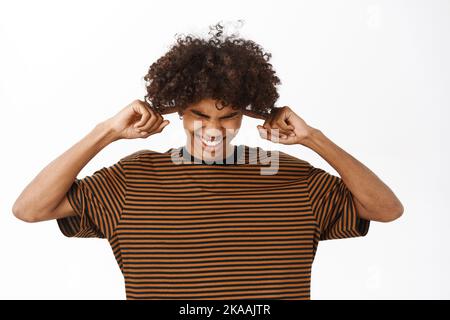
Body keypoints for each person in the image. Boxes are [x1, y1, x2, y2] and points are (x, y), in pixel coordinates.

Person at [12, 21, 403, 300]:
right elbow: (30, 209)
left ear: (246, 114)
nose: (213, 129)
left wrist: (314, 139)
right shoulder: (131, 181)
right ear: (178, 111)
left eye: (227, 115)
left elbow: (386, 209)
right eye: (200, 115)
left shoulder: (293, 177)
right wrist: (107, 131)